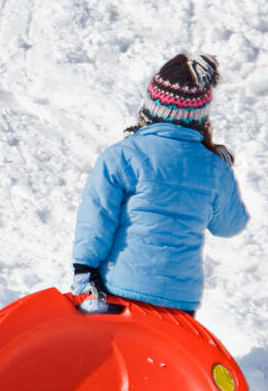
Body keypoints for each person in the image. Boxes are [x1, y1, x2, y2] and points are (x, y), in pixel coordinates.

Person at [71, 53, 248, 316]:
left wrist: (84, 268)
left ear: (151, 106)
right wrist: (222, 176)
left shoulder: (123, 155)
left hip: (121, 288)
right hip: (179, 301)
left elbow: (97, 216)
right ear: (200, 116)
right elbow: (230, 225)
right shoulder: (213, 166)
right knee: (161, 356)